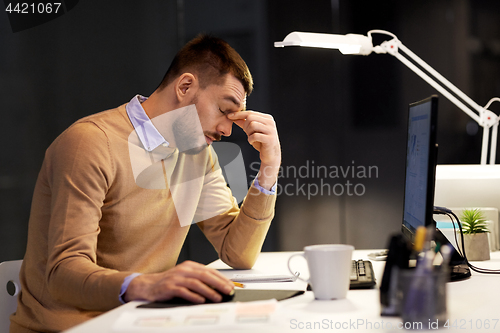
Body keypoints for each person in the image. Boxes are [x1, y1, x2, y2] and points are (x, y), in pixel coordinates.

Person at [11, 34, 281, 333]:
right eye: (223, 110)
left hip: (143, 323)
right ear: (185, 86)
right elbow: (63, 273)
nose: (228, 130)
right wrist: (147, 285)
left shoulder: (197, 155)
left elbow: (238, 253)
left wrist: (269, 169)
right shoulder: (90, 143)